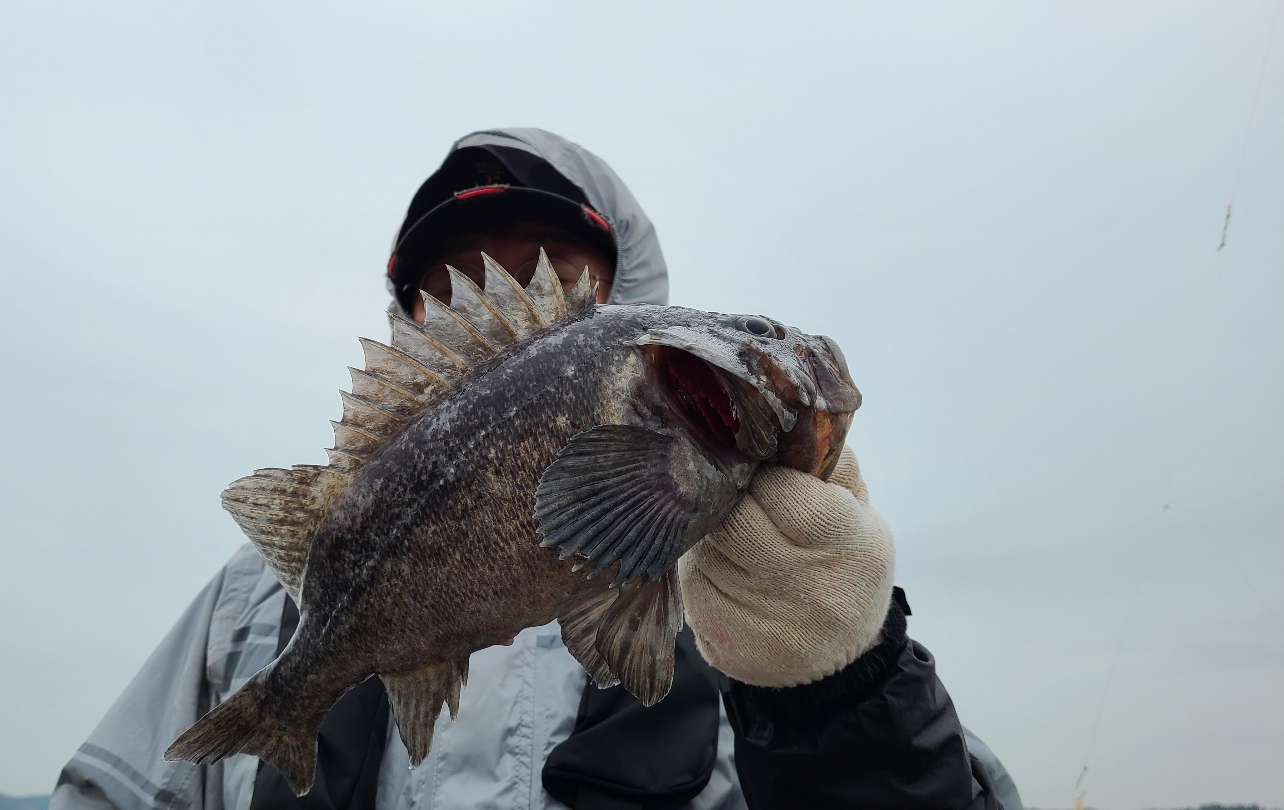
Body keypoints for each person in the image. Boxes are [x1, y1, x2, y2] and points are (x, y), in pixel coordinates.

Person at [50, 127, 1024, 810]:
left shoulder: (765, 574)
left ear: (620, 297)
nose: (509, 292)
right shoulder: (254, 603)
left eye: (549, 264)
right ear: (414, 327)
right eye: (458, 281)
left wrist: (840, 679)